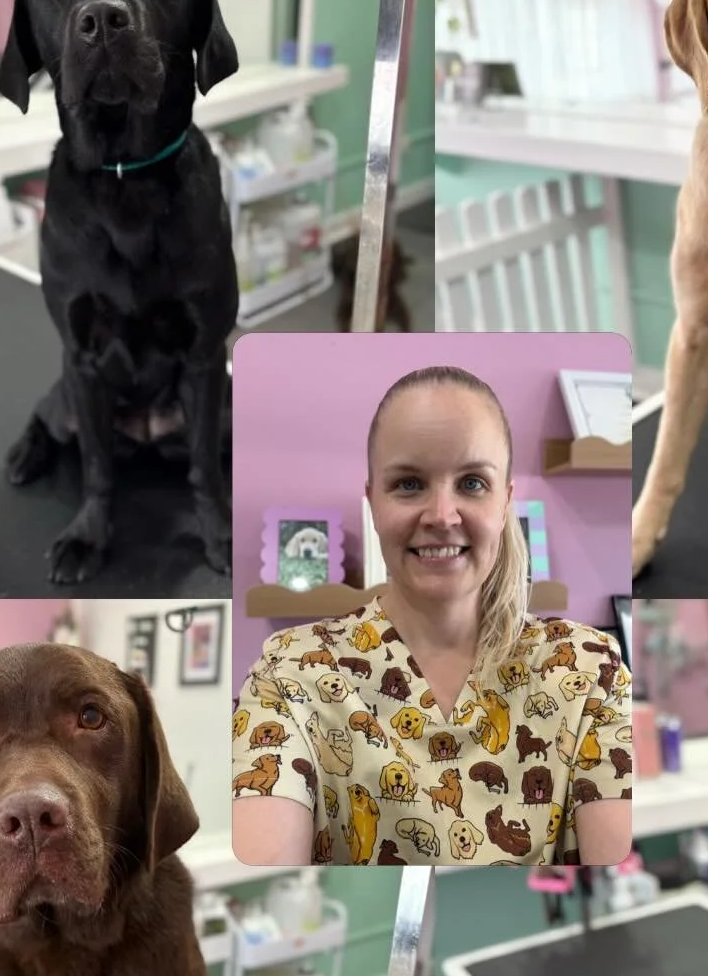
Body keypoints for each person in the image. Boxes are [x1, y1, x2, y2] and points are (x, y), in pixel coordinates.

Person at [232, 365, 633, 866]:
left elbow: (613, 875)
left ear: (505, 501)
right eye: (409, 484)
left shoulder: (590, 667)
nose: (442, 515)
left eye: (471, 482)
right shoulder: (289, 672)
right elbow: (268, 866)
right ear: (373, 501)